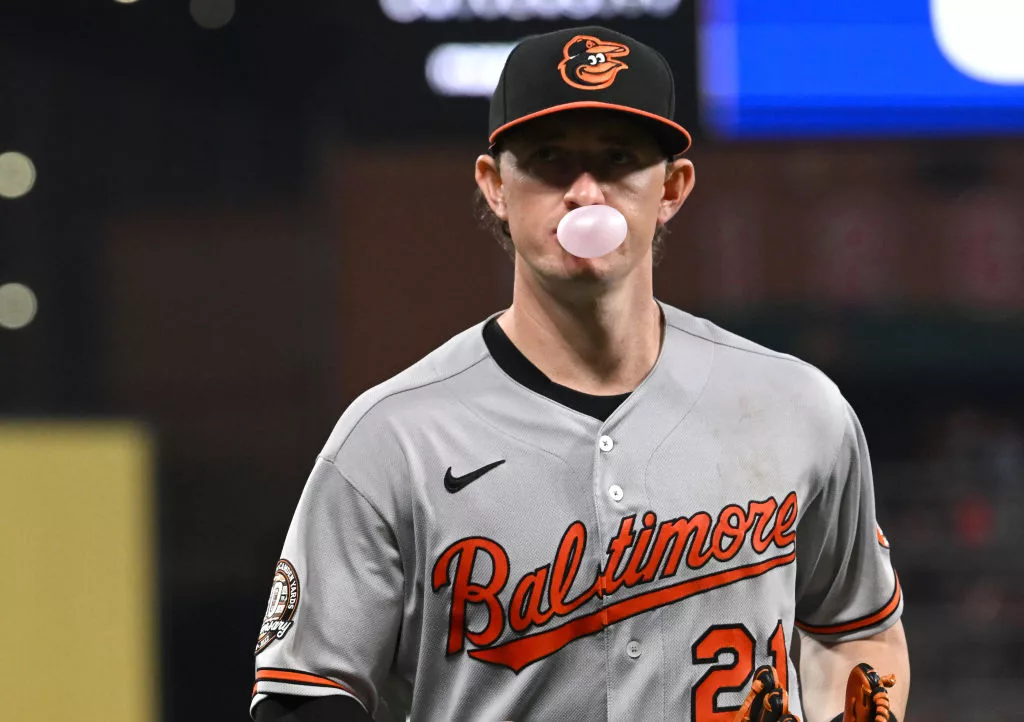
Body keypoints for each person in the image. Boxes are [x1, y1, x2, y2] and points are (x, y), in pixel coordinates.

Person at [250, 25, 910, 722]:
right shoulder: (392, 441)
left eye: (619, 159)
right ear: (495, 185)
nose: (585, 192)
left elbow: (859, 629)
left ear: (672, 188)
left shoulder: (795, 408)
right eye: (549, 160)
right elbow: (304, 700)